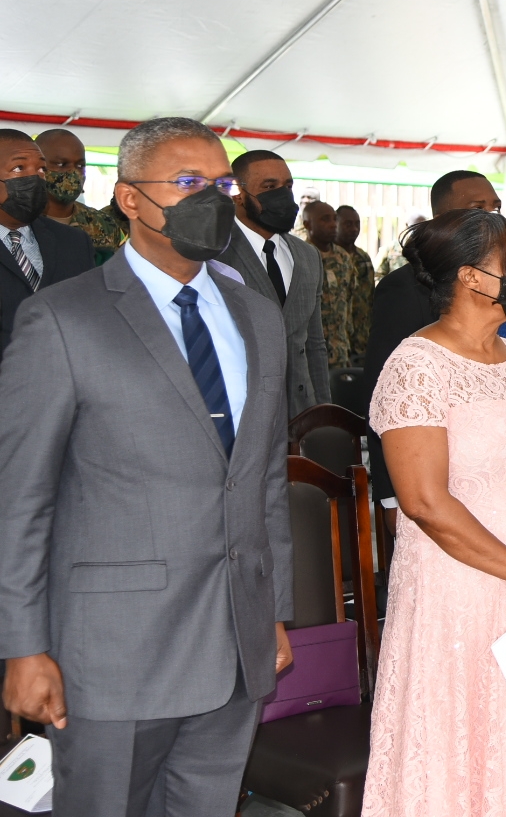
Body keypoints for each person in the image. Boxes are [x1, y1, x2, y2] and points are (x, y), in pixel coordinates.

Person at [0, 116, 293, 817]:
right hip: (113, 652)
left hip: (234, 641)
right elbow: (21, 499)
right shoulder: (64, 320)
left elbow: (266, 477)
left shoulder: (257, 316)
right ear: (130, 199)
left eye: (221, 184)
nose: (213, 200)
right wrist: (23, 646)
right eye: (188, 183)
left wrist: (275, 609)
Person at [362, 208, 506, 816]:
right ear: (470, 276)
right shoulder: (415, 367)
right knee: (458, 753)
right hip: (458, 592)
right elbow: (425, 503)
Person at [364, 170, 503, 511]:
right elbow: (384, 396)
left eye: (495, 208)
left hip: (504, 473)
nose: (491, 218)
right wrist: (391, 498)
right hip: (437, 476)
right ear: (443, 218)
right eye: (477, 207)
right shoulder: (406, 288)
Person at [221, 148, 330, 412]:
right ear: (237, 194)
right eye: (269, 186)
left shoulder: (307, 256)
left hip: (301, 413)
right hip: (244, 415)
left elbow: (314, 344)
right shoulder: (216, 254)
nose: (283, 195)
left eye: (288, 185)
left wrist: (323, 411)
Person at [0, 130, 94, 359]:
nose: (35, 178)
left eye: (41, 169)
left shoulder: (74, 242)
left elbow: (91, 317)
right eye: (19, 168)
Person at [36, 127, 124, 264]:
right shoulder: (18, 223)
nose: (73, 172)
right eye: (61, 164)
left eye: (80, 165)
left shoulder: (104, 224)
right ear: (39, 167)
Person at [301, 199, 355, 368]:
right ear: (307, 224)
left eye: (334, 219)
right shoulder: (300, 258)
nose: (333, 224)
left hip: (340, 351)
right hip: (309, 353)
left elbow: (349, 298)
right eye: (325, 219)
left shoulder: (344, 258)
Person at [335, 204, 374, 364]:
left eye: (357, 224)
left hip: (361, 339)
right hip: (336, 339)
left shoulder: (363, 257)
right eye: (348, 224)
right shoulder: (326, 257)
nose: (354, 229)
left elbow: (371, 297)